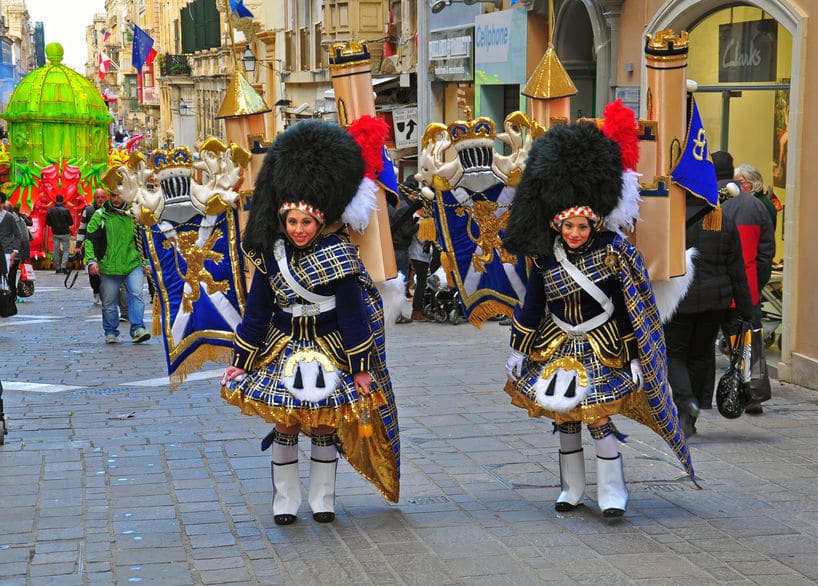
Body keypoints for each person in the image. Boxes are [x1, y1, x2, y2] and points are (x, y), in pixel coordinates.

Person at [501, 120, 695, 518]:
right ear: (558, 223)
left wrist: (638, 357)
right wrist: (519, 349)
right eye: (568, 225)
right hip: (555, 344)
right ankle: (571, 489)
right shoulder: (544, 255)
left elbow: (630, 309)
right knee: (566, 419)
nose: (574, 232)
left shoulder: (616, 252)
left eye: (582, 225)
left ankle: (612, 492)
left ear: (594, 222)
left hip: (603, 346)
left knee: (598, 417)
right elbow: (534, 304)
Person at [220, 120, 400, 526]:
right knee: (284, 425)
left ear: (320, 222)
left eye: (306, 222)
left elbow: (354, 317)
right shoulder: (270, 258)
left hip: (331, 351)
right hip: (281, 348)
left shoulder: (341, 255)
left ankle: (323, 500)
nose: (298, 229)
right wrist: (242, 361)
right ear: (282, 221)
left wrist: (360, 370)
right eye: (292, 222)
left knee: (323, 427)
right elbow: (257, 314)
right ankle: (285, 501)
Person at [664, 193, 754, 436]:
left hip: (678, 300)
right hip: (715, 302)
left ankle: (685, 401)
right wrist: (746, 308)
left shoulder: (671, 217)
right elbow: (736, 267)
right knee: (701, 355)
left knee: (674, 354)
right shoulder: (721, 219)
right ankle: (690, 419)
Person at [722, 163, 775, 414]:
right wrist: (759, 281)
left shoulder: (719, 206)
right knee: (750, 339)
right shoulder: (758, 208)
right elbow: (766, 253)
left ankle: (704, 397)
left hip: (723, 286)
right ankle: (752, 392)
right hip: (749, 285)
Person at [83, 185, 151, 344]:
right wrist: (91, 260)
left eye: (119, 196)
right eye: (113, 195)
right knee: (108, 302)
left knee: (136, 294)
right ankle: (111, 331)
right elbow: (90, 239)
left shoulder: (135, 214)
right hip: (108, 267)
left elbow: (145, 240)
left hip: (132, 264)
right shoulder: (100, 215)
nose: (116, 199)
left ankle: (138, 328)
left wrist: (146, 262)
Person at [389, 178, 424, 323]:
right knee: (401, 283)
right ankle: (398, 314)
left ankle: (395, 313)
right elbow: (405, 232)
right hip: (400, 249)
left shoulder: (396, 205)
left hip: (394, 248)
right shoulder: (404, 208)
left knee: (395, 283)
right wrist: (419, 225)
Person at [76, 188, 110, 304]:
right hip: (92, 245)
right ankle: (96, 290)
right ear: (94, 198)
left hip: (107, 247)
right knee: (93, 273)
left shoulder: (110, 210)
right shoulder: (89, 210)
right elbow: (82, 228)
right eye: (98, 197)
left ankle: (106, 293)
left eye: (102, 197)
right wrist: (78, 245)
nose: (100, 200)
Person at [0, 193, 22, 295]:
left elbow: (18, 235)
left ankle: (4, 302)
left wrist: (14, 252)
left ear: (3, 203)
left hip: (6, 251)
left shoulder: (9, 217)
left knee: (4, 278)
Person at [45, 194, 73, 274]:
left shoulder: (51, 210)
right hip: (65, 233)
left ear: (55, 200)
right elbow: (71, 222)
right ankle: (63, 267)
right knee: (66, 250)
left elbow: (48, 223)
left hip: (55, 233)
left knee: (55, 250)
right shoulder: (66, 210)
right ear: (62, 200)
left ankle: (57, 267)